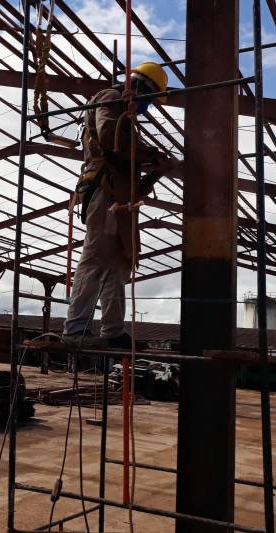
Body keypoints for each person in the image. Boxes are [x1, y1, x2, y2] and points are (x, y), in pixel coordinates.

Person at [63, 62, 180, 349]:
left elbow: (133, 180)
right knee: (95, 257)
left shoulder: (127, 121)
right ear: (140, 88)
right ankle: (75, 327)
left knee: (118, 263)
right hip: (104, 192)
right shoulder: (111, 99)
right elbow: (107, 137)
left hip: (120, 196)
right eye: (149, 101)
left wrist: (156, 169)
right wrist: (150, 153)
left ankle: (113, 329)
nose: (147, 109)